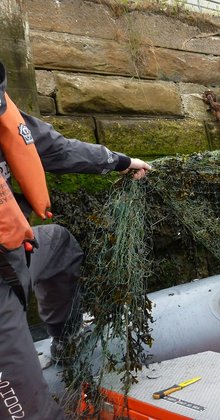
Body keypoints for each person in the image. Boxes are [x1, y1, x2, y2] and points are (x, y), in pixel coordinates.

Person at [0, 61, 151, 419]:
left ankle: (66, 342)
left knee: (60, 245)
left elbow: (54, 148)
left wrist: (121, 161)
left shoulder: (4, 109)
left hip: (14, 252)